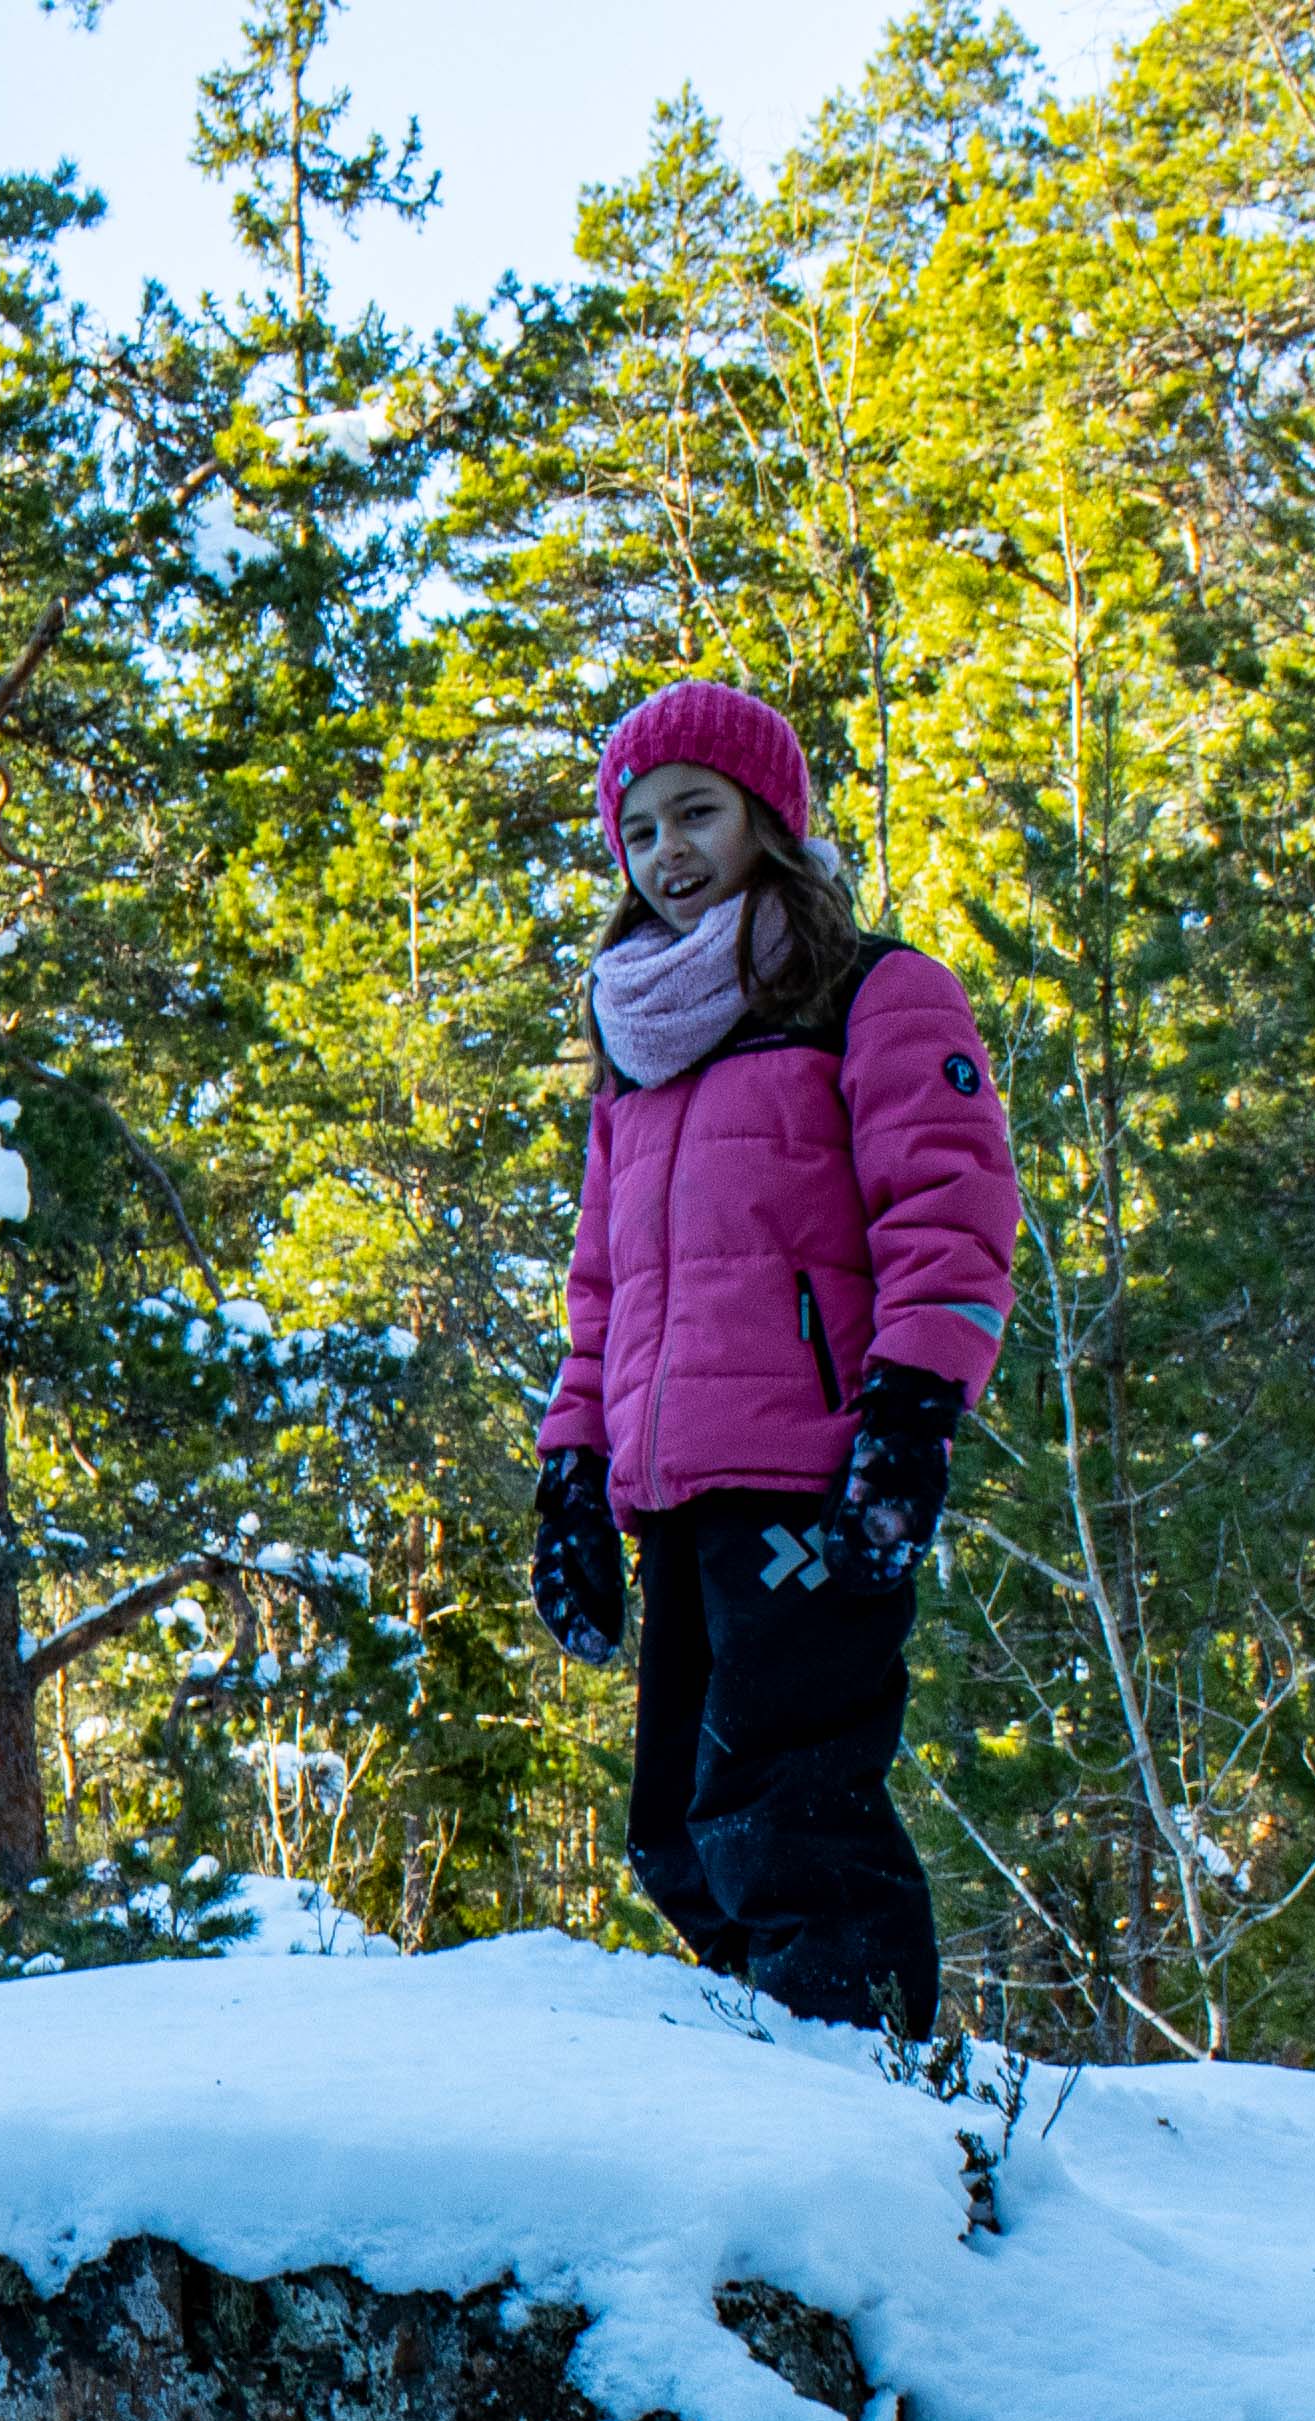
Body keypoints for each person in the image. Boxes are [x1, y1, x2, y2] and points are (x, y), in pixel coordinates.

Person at [526, 678, 1021, 2038]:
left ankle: (863, 2112)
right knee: (676, 1830)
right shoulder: (638, 1047)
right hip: (672, 1484)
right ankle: (772, 2085)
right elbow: (601, 1290)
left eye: (696, 813)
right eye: (638, 831)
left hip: (814, 1472)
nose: (666, 851)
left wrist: (911, 1417)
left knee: (786, 1811)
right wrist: (570, 1473)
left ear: (767, 818)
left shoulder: (871, 990)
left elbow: (950, 1214)